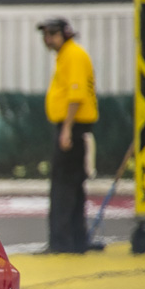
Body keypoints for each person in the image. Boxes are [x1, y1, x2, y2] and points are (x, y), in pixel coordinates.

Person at [39, 17, 100, 253]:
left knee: (64, 186)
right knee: (72, 185)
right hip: (72, 127)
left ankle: (62, 241)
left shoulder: (72, 55)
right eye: (45, 34)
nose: (47, 39)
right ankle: (76, 240)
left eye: (52, 34)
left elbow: (76, 95)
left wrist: (66, 129)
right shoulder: (66, 55)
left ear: (64, 34)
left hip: (72, 128)